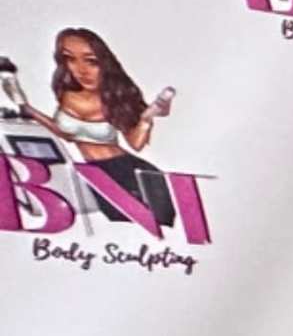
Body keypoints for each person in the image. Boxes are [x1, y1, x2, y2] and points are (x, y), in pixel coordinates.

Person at [4, 29, 173, 206]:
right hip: (92, 172)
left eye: (91, 61)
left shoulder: (114, 97)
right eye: (70, 59)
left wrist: (146, 119)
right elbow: (66, 134)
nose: (82, 70)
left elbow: (136, 144)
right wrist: (27, 108)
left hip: (128, 171)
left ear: (104, 63)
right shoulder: (67, 95)